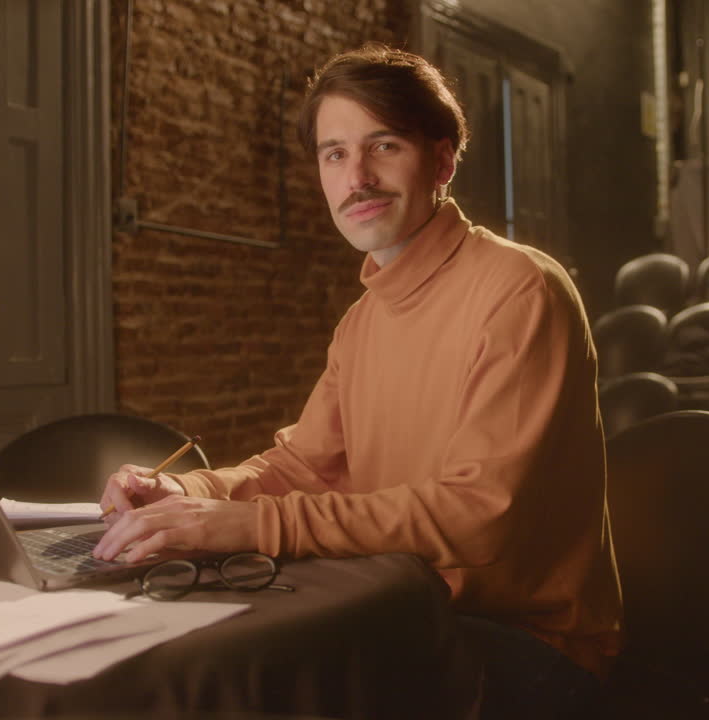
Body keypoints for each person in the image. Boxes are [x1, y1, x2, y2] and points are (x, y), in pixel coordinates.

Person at [92, 44, 621, 716]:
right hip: (402, 608)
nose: (357, 177)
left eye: (384, 146)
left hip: (524, 641)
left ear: (443, 161)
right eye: (334, 154)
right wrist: (189, 491)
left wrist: (253, 525)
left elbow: (480, 515)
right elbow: (303, 465)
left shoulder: (518, 288)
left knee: (242, 688)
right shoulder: (362, 320)